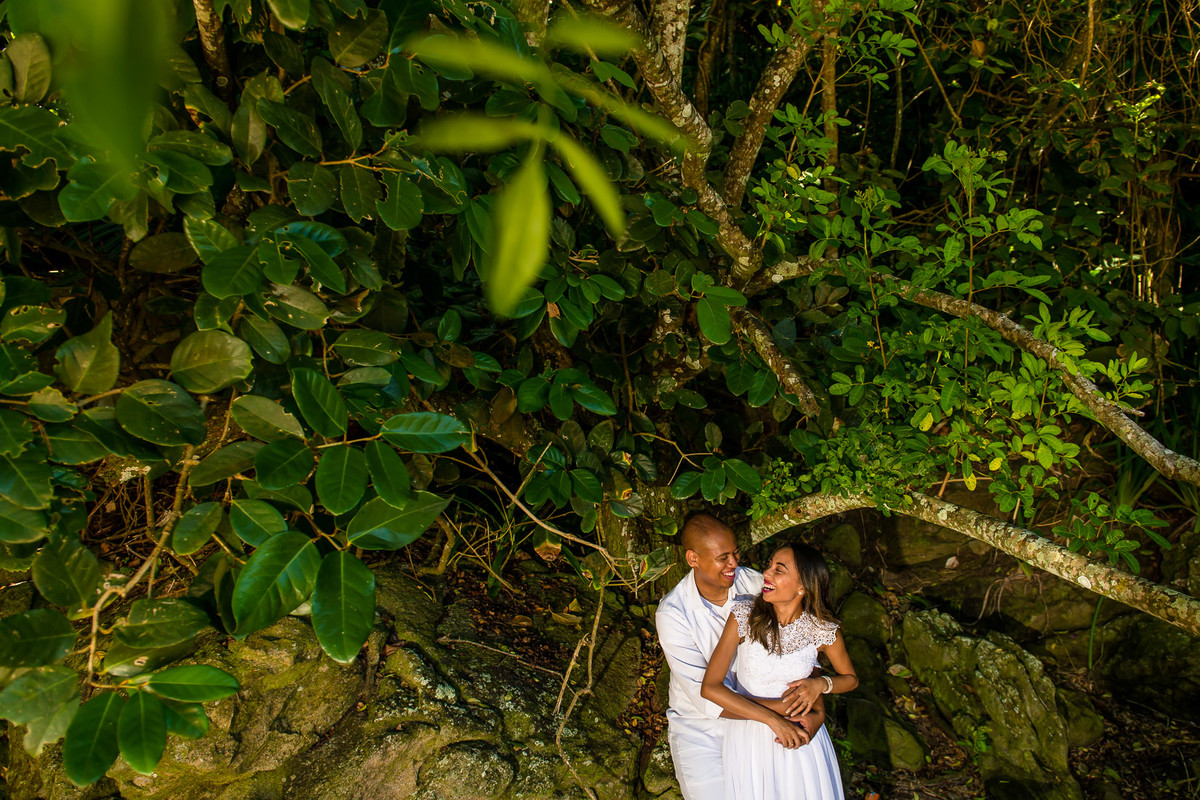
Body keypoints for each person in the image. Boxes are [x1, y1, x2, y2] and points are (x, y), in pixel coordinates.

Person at [656, 514, 826, 800]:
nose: (734, 563)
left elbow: (804, 647)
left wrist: (817, 710)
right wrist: (778, 714)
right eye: (723, 558)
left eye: (735, 553)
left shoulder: (756, 584)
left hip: (764, 722)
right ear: (693, 559)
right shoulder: (673, 614)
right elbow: (705, 698)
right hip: (703, 730)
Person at [701, 541, 857, 799]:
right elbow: (710, 687)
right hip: (749, 739)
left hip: (799, 740)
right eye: (769, 565)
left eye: (779, 570)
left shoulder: (823, 630)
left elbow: (850, 679)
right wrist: (774, 720)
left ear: (802, 586)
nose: (767, 574)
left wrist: (821, 685)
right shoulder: (745, 615)